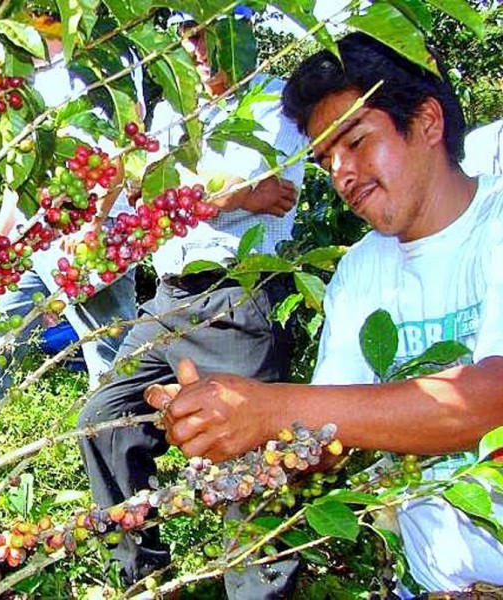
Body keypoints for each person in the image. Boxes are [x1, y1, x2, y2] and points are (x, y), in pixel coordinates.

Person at [146, 32, 503, 595]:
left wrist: (270, 408)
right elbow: (328, 438)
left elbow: (488, 402)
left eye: (356, 142)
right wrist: (236, 442)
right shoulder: (360, 271)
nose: (342, 174)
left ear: (428, 122)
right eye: (326, 160)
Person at [78, 15, 306, 586]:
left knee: (252, 455)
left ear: (244, 34)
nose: (197, 49)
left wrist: (188, 194)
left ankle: (260, 590)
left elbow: (258, 189)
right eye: (187, 36)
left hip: (240, 296)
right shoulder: (172, 110)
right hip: (171, 299)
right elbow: (151, 194)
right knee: (104, 419)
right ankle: (144, 578)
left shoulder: (277, 102)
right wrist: (228, 194)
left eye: (211, 34)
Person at [0, 10, 139, 455]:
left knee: (108, 354)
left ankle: (118, 461)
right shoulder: (27, 75)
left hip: (91, 237)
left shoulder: (103, 62)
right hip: (35, 236)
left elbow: (123, 147)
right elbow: (23, 168)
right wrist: (3, 236)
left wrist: (95, 224)